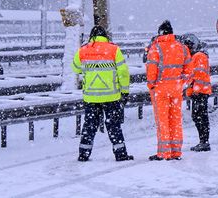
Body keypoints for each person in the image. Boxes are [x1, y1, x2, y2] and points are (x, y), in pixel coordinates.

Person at [72, 25, 134, 162]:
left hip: (91, 96)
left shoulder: (83, 50)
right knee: (113, 125)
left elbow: (75, 68)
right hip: (111, 96)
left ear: (91, 36)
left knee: (89, 125)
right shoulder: (114, 49)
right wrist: (125, 91)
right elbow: (123, 73)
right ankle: (120, 154)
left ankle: (83, 154)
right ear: (105, 36)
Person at [145, 20, 191, 161]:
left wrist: (151, 85)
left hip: (160, 89)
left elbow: (151, 70)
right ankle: (176, 151)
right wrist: (180, 83)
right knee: (175, 120)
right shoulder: (182, 48)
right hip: (176, 89)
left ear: (160, 33)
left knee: (162, 121)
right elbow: (189, 71)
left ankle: (164, 153)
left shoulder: (155, 48)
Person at [181, 34, 212, 151]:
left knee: (200, 116)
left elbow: (199, 74)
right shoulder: (198, 55)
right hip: (199, 91)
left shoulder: (198, 56)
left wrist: (195, 89)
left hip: (200, 92)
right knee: (199, 116)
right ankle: (203, 141)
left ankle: (204, 142)